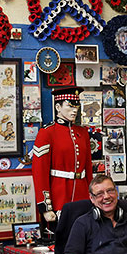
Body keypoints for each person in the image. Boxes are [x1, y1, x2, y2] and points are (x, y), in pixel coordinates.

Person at [32, 87, 92, 227]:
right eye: (69, 105)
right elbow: (39, 172)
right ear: (58, 107)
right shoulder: (47, 132)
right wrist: (46, 207)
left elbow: (88, 168)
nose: (74, 110)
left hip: (82, 195)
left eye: (76, 105)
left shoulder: (82, 132)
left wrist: (93, 197)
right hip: (59, 195)